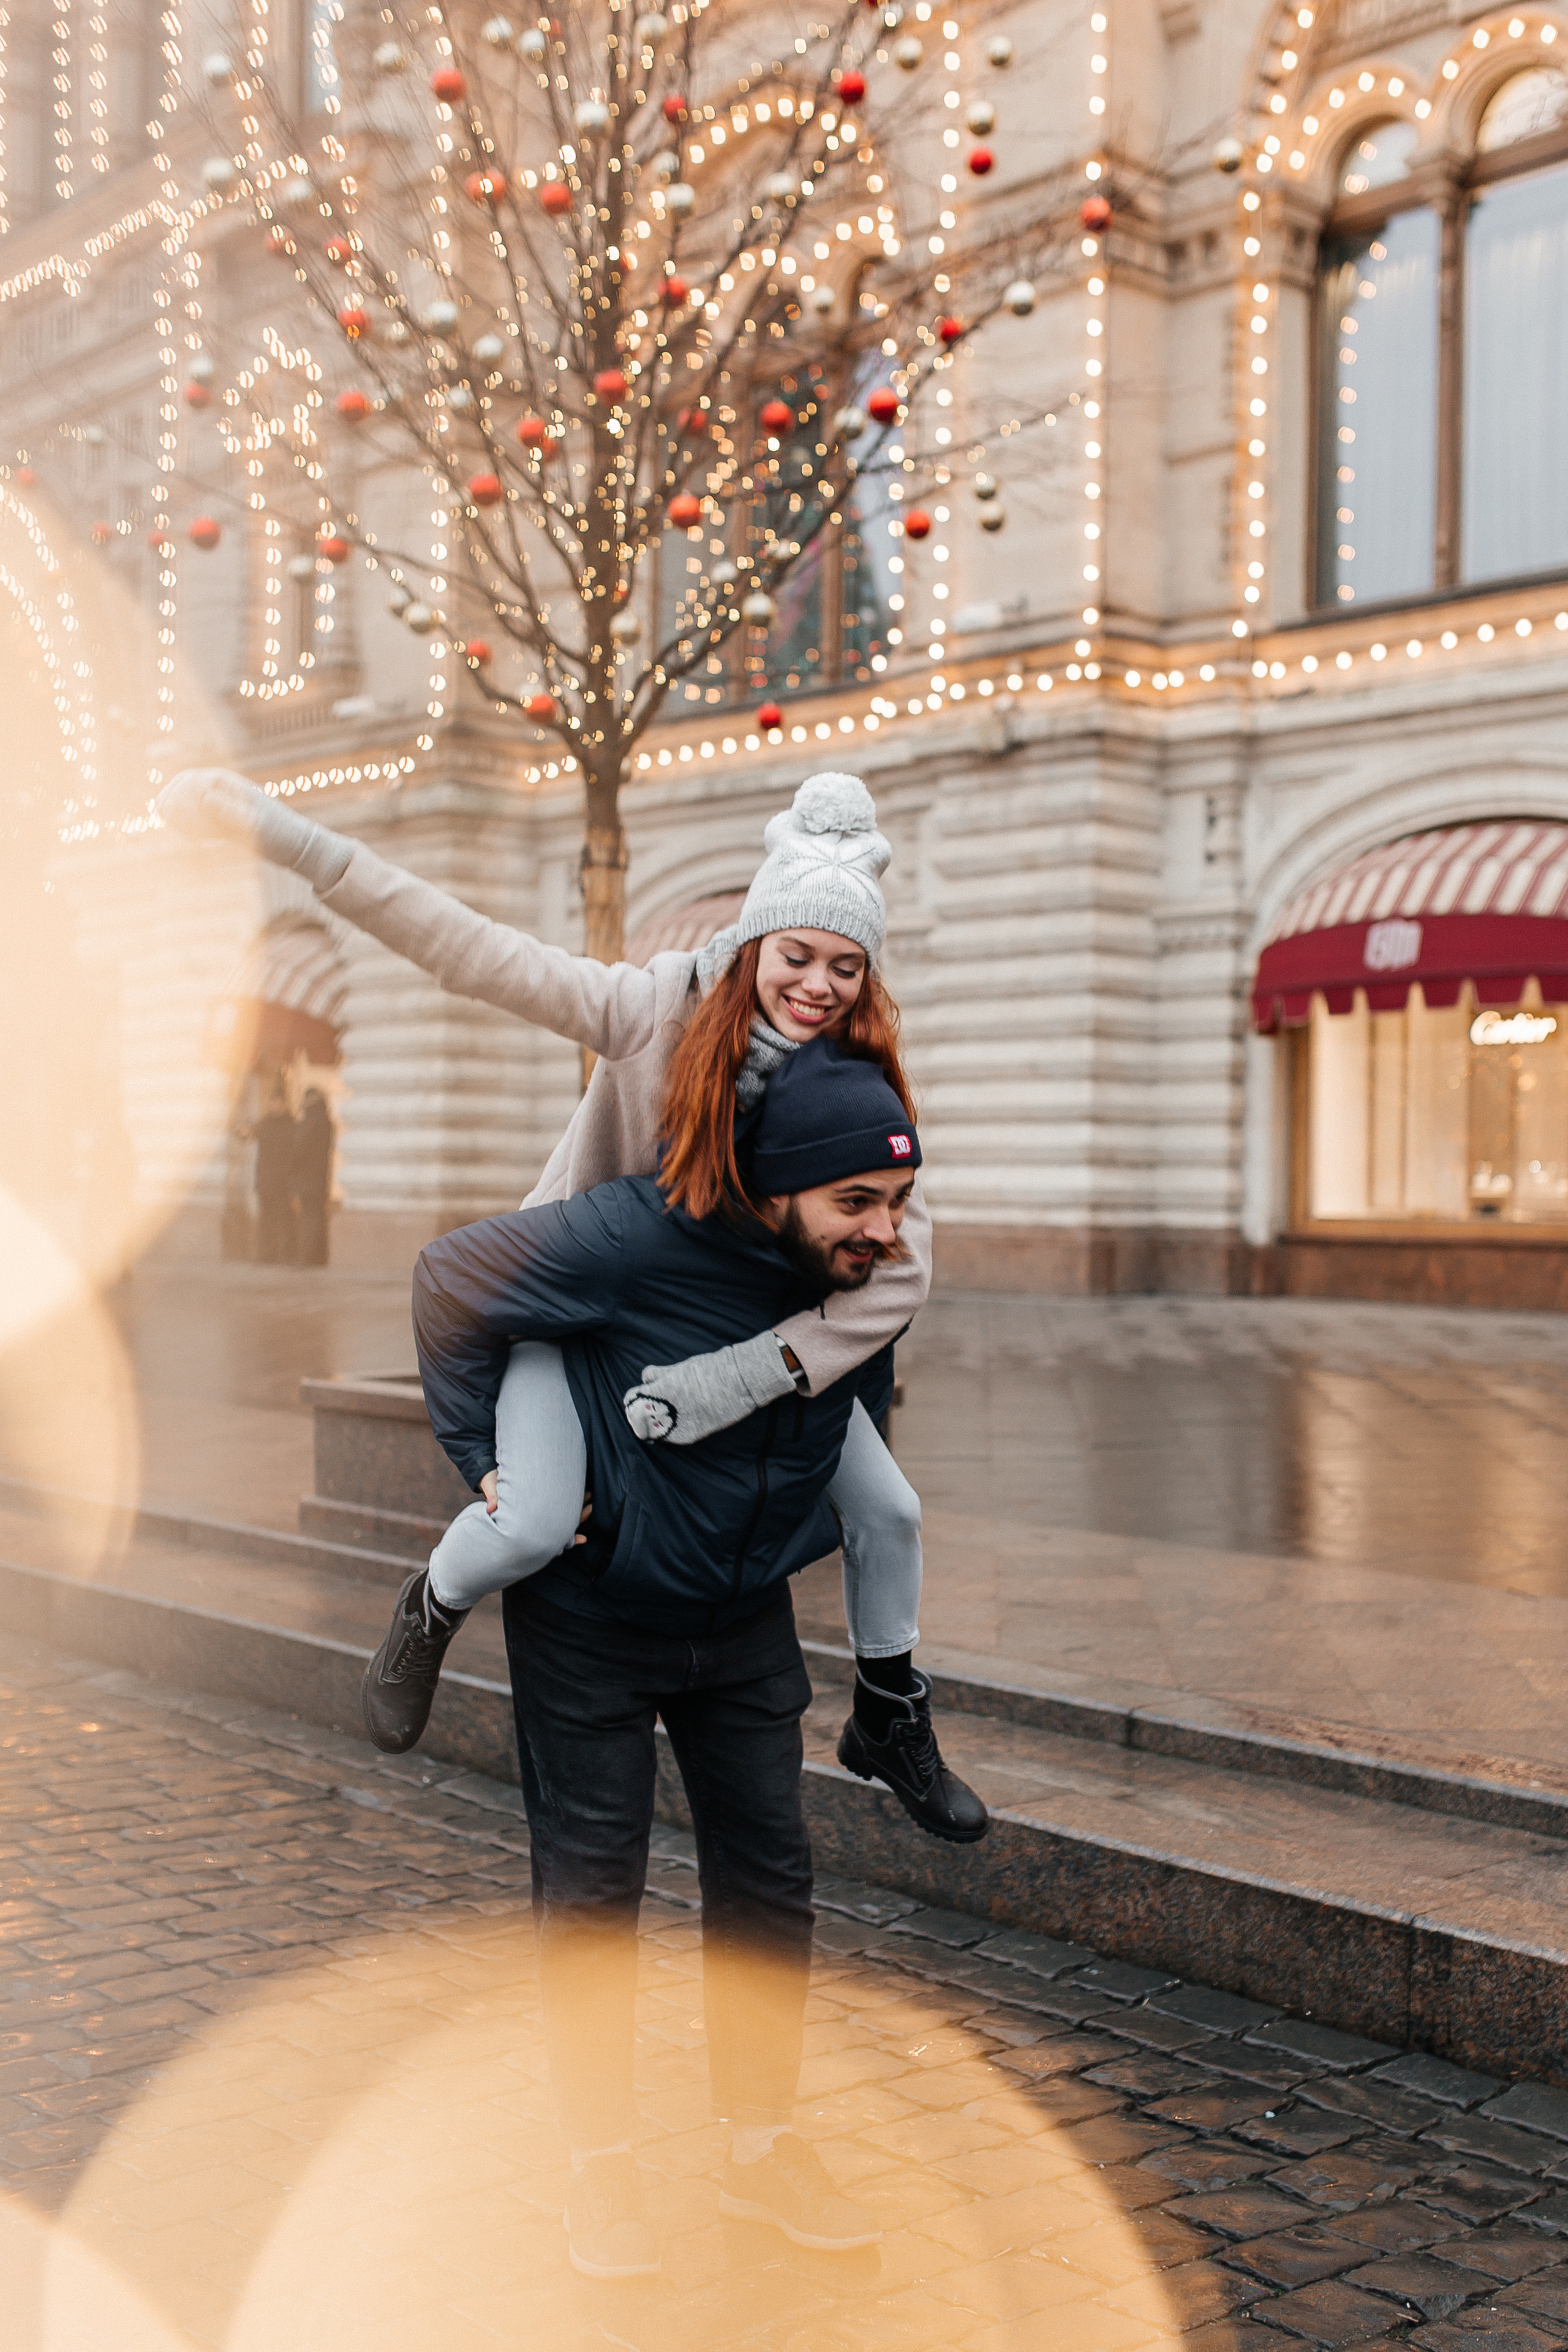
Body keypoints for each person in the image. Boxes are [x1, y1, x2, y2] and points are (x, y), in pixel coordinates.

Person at [157, 765, 981, 1840]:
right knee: (534, 1519)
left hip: (738, 1339)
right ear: (752, 944)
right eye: (797, 955)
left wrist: (755, 1372)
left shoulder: (856, 1068)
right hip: (581, 1313)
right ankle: (430, 1607)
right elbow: (475, 953)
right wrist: (294, 842)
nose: (818, 985)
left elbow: (905, 1262)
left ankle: (888, 1713)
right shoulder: (655, 1010)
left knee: (892, 1511)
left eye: (845, 964)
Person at [407, 1039, 968, 2276]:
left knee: (767, 1889)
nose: (885, 1232)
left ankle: (760, 2153)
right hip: (591, 1623)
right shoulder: (626, 1237)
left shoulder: (849, 1276)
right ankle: (597, 2174)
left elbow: (855, 1417)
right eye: (856, 1203)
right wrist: (485, 1471)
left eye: (897, 1200)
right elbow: (446, 1282)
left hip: (742, 1625)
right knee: (595, 1899)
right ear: (775, 1187)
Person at [252, 1087, 298, 1264]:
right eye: (271, 1102)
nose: (273, 1105)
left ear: (285, 1103)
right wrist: (241, 1131)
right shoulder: (265, 1123)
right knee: (266, 1220)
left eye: (277, 1102)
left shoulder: (291, 1124)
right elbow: (249, 1134)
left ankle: (287, 1255)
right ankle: (266, 1255)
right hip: (265, 1180)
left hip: (283, 1181)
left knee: (284, 1219)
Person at [293, 1087, 335, 1267]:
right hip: (321, 1178)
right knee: (317, 1216)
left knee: (309, 1218)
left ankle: (308, 1258)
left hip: (306, 1178)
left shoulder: (309, 1121)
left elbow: (298, 1150)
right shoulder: (326, 1121)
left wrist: (292, 1172)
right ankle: (318, 1258)